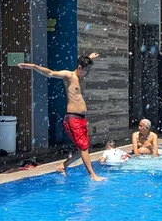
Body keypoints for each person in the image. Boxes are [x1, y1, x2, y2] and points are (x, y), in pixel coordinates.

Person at [17, 53, 103, 181]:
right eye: (86, 70)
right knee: (84, 148)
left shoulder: (81, 78)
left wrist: (89, 58)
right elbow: (50, 73)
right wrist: (34, 66)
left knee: (82, 149)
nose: (87, 73)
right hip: (73, 118)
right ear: (79, 68)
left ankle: (62, 166)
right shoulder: (69, 76)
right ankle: (92, 175)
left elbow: (84, 63)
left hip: (81, 119)